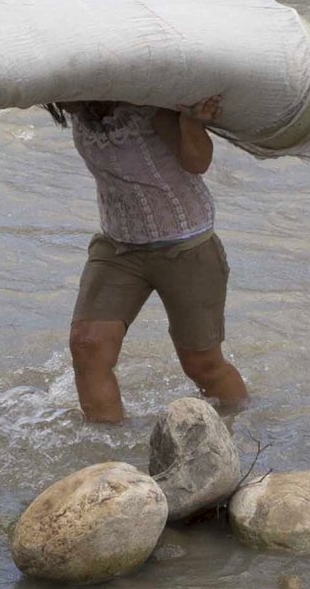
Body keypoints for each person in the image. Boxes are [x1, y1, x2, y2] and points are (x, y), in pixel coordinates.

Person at [59, 97, 246, 425]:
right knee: (88, 346)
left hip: (186, 245)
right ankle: (107, 458)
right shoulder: (75, 101)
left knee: (202, 365)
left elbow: (198, 162)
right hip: (118, 245)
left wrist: (191, 122)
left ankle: (245, 431)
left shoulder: (148, 100)